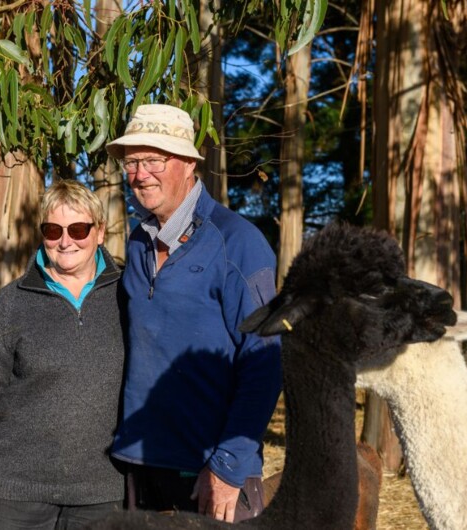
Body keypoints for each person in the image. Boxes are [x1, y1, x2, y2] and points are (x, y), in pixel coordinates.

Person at [106, 104, 282, 522]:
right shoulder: (137, 242)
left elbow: (265, 361)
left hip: (209, 473)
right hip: (141, 464)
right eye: (132, 163)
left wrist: (229, 464)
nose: (140, 174)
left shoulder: (238, 243)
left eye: (153, 160)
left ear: (187, 163)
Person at [0, 180, 125, 530]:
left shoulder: (127, 297)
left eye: (78, 229)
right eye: (53, 230)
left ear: (100, 232)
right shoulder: (12, 302)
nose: (65, 241)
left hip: (101, 492)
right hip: (14, 493)